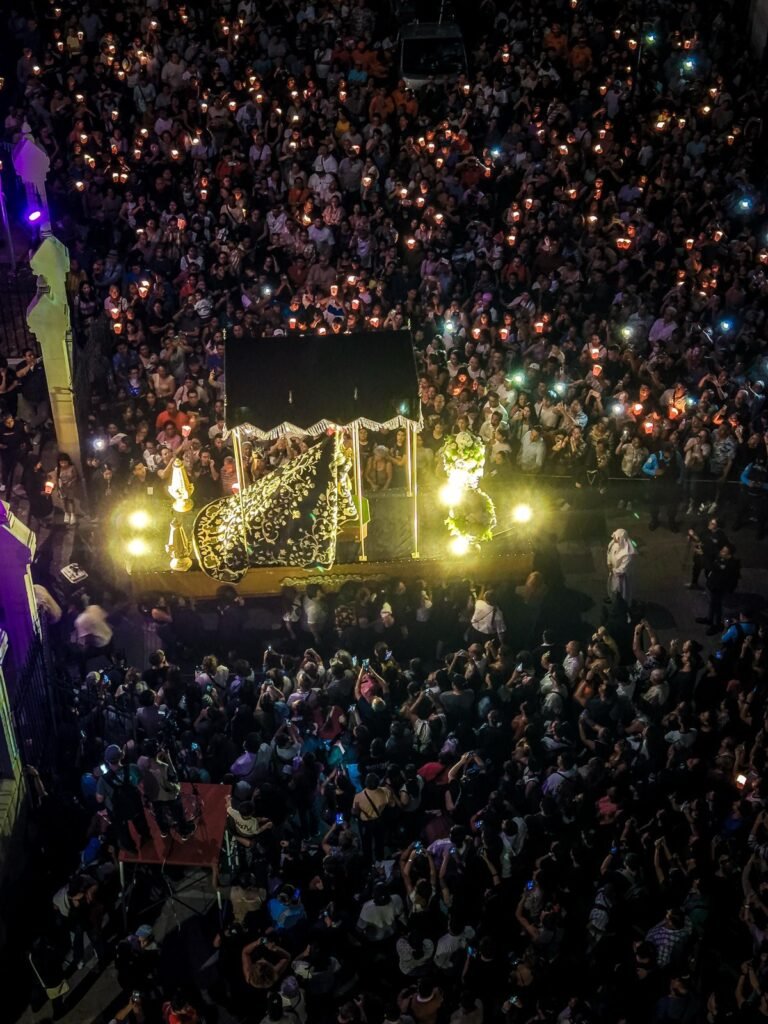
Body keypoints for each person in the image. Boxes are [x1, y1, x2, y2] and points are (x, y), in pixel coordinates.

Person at [95, 744, 151, 854]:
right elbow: (141, 786)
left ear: (107, 760)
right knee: (140, 823)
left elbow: (100, 799)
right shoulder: (133, 768)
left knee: (122, 831)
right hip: (134, 805)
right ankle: (145, 837)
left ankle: (131, 848)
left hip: (117, 811)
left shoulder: (103, 780)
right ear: (122, 755)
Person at [137, 740, 196, 840]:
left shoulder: (141, 763)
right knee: (177, 809)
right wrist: (168, 757)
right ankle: (183, 831)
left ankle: (164, 831)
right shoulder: (163, 766)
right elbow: (174, 776)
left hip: (153, 795)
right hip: (167, 795)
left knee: (158, 814)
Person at [696, 544, 741, 635]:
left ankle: (717, 625)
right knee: (712, 604)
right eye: (722, 550)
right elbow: (712, 555)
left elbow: (712, 567)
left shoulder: (730, 565)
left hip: (719, 588)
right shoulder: (721, 557)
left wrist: (703, 555)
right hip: (713, 585)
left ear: (729, 555)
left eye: (724, 551)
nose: (721, 552)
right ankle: (709, 619)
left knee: (717, 607)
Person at [642, 444, 681, 532]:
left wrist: (680, 481)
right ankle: (654, 520)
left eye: (672, 453)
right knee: (654, 503)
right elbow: (644, 468)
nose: (670, 456)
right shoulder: (654, 457)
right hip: (657, 483)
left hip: (670, 483)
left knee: (672, 504)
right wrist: (654, 472)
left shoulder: (677, 455)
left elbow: (681, 467)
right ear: (663, 452)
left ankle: (672, 522)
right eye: (668, 454)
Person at [686, 517, 729, 590]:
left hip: (709, 558)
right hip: (700, 556)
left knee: (708, 573)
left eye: (713, 524)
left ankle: (713, 588)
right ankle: (694, 584)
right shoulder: (706, 531)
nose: (710, 524)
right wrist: (692, 536)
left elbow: (717, 549)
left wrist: (703, 550)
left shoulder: (720, 535)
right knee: (696, 569)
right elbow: (699, 539)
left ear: (717, 526)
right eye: (710, 522)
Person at [606, 528, 636, 606]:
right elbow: (609, 552)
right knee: (612, 587)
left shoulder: (628, 553)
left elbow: (623, 569)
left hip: (622, 577)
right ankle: (612, 598)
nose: (614, 539)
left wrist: (614, 570)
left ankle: (622, 605)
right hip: (613, 572)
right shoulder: (613, 543)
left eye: (616, 538)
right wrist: (609, 563)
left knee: (622, 590)